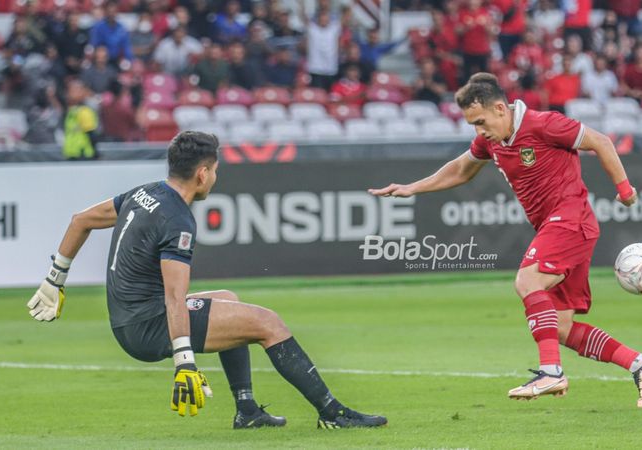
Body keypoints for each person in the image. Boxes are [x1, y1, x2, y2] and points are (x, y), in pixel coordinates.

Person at [27, 131, 387, 429]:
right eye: (215, 170)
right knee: (268, 322)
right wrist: (184, 362)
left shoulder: (144, 193)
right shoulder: (177, 219)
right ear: (202, 173)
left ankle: (247, 411)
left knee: (229, 299)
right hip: (147, 325)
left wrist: (54, 280)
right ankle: (333, 413)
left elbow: (80, 220)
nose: (215, 177)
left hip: (130, 318)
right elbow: (174, 295)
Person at [368, 73, 642, 407]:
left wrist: (624, 190)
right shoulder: (491, 139)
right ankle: (641, 364)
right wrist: (412, 188)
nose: (478, 130)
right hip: (560, 228)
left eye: (480, 121)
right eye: (472, 124)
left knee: (527, 280)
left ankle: (550, 371)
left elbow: (601, 142)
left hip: (570, 219)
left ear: (500, 108)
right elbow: (461, 170)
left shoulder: (544, 124)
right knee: (563, 328)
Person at [62, 80, 99, 160]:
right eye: (69, 90)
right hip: (72, 154)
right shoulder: (71, 112)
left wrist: (96, 155)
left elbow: (91, 134)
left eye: (74, 91)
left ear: (83, 92)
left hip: (84, 155)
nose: (69, 94)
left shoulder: (84, 111)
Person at [89, 1, 134, 65]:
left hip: (117, 61)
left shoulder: (121, 28)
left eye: (114, 12)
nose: (111, 14)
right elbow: (94, 44)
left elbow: (126, 47)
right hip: (101, 61)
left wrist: (129, 59)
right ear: (106, 12)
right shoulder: (98, 27)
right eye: (110, 12)